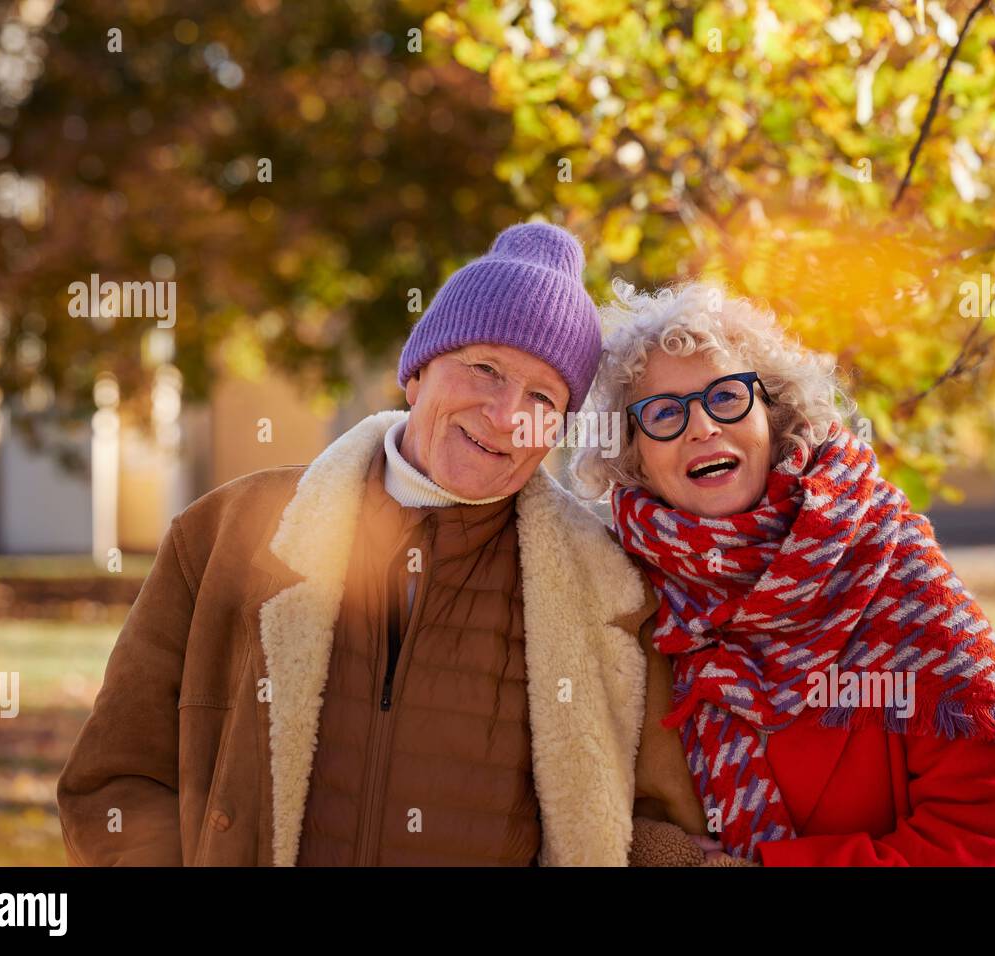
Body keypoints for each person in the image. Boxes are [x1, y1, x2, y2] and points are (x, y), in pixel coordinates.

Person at [55, 222, 708, 866]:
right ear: (418, 373)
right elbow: (115, 779)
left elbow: (645, 830)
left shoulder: (610, 588)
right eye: (484, 369)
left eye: (542, 396)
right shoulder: (228, 531)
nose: (507, 415)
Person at [575, 280, 995, 866]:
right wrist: (652, 848)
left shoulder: (893, 568)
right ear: (633, 450)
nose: (701, 428)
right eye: (665, 412)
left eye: (726, 397)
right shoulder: (621, 587)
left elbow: (981, 841)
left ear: (774, 413)